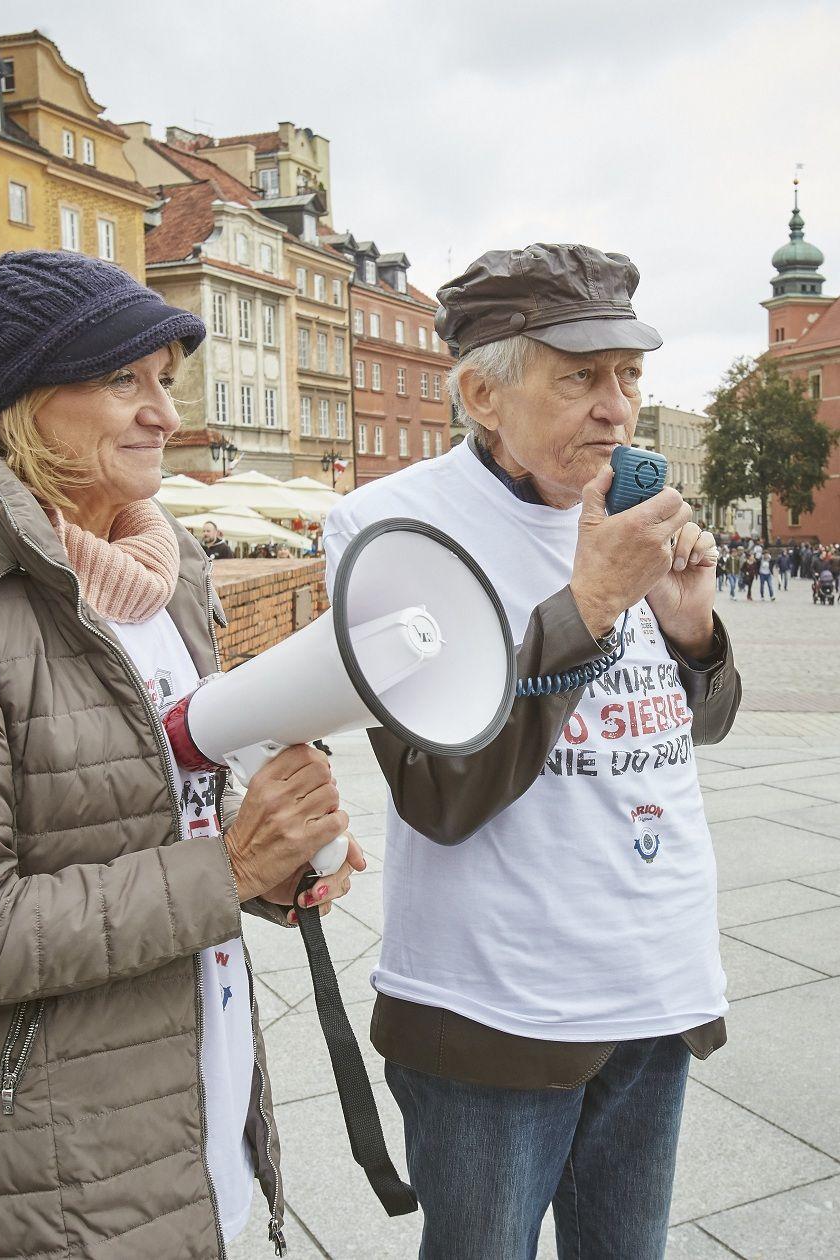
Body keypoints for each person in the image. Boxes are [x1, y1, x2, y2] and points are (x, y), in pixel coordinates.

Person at [0, 251, 364, 1260]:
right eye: (123, 380)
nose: (164, 414)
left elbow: (157, 826)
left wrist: (268, 867)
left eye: (164, 381)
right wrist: (227, 869)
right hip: (49, 1175)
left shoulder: (163, 570)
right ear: (28, 402)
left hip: (189, 1119)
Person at [324, 244, 741, 1260]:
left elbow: (700, 725)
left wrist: (690, 632)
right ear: (480, 393)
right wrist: (590, 603)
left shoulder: (631, 511)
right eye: (578, 377)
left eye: (628, 375)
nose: (616, 408)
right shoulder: (389, 527)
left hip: (653, 980)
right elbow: (442, 793)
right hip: (493, 1006)